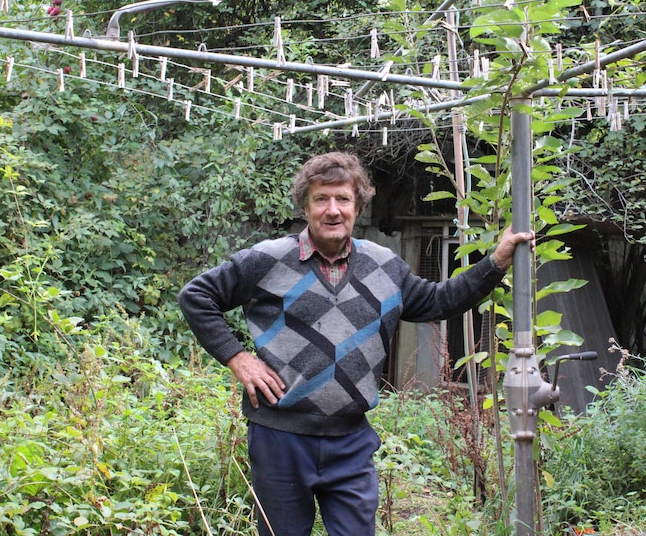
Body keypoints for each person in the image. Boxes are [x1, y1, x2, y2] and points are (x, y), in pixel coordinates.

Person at [177, 151, 534, 536]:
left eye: (343, 199)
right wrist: (238, 358)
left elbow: (438, 301)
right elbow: (196, 297)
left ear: (358, 205)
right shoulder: (267, 260)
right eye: (321, 199)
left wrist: (495, 262)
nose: (333, 210)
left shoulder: (384, 265)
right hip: (279, 440)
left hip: (350, 442)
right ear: (305, 205)